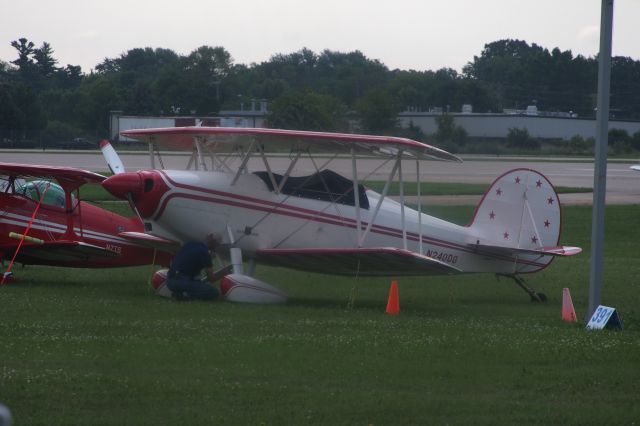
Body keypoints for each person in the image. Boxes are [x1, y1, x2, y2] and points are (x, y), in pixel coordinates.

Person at [167, 233, 223, 301]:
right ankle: (185, 296)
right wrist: (224, 273)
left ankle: (179, 293)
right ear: (215, 243)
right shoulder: (205, 253)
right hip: (182, 281)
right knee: (213, 292)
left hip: (170, 280)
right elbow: (211, 279)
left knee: (196, 284)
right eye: (217, 245)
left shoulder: (190, 244)